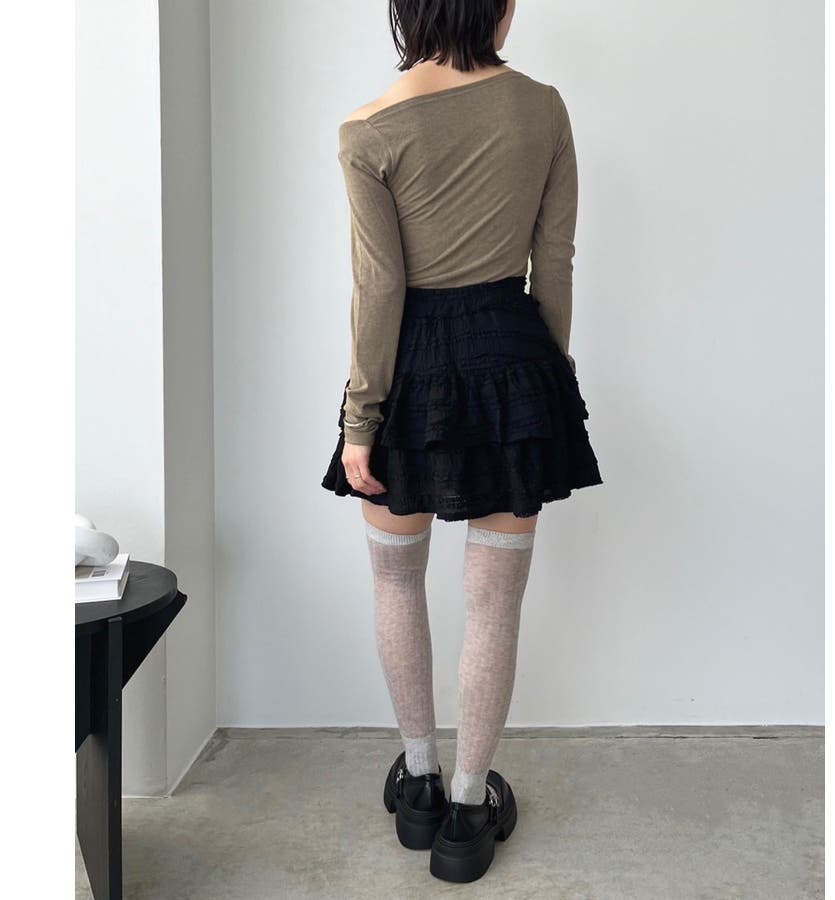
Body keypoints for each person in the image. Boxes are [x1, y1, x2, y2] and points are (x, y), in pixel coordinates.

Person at [320, 0, 603, 883]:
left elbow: (379, 290)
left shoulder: (367, 131)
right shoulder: (543, 107)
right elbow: (554, 261)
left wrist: (359, 420)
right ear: (498, 6)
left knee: (395, 578)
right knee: (494, 603)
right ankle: (470, 813)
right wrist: (544, 381)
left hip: (411, 377)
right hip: (514, 363)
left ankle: (420, 785)